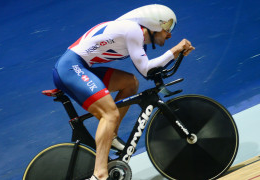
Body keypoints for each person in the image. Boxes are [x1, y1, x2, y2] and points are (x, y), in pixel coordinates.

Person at [52, 4, 195, 180]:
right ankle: (99, 175)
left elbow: (145, 73)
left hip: (77, 67)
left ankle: (110, 136)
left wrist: (174, 53)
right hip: (71, 68)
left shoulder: (134, 32)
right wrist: (175, 50)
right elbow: (146, 70)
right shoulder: (133, 30)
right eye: (168, 27)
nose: (170, 34)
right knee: (110, 114)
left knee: (130, 83)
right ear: (155, 24)